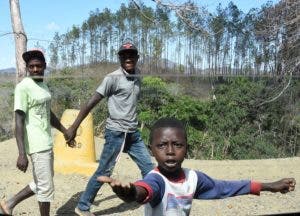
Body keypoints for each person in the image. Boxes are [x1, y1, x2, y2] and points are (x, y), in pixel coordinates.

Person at [99, 117, 296, 216]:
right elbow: (146, 191)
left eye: (177, 145)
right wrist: (131, 192)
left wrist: (270, 186)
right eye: (162, 145)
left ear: (186, 148)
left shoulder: (193, 178)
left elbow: (224, 187)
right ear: (151, 150)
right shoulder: (156, 178)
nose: (169, 151)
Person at [64, 42, 154, 216]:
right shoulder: (112, 78)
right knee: (104, 171)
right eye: (124, 55)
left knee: (148, 167)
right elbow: (92, 102)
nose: (128, 58)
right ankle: (83, 207)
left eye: (131, 55)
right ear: (119, 58)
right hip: (116, 133)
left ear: (137, 57)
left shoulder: (138, 75)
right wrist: (74, 126)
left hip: (133, 133)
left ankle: (155, 198)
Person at [0, 49, 74, 216]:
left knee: (43, 181)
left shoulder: (43, 85)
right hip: (36, 144)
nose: (34, 69)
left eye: (38, 66)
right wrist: (21, 153)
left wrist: (64, 130)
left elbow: (48, 113)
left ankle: (9, 204)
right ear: (27, 68)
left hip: (47, 141)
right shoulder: (23, 87)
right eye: (31, 66)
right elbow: (18, 121)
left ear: (44, 66)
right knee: (45, 188)